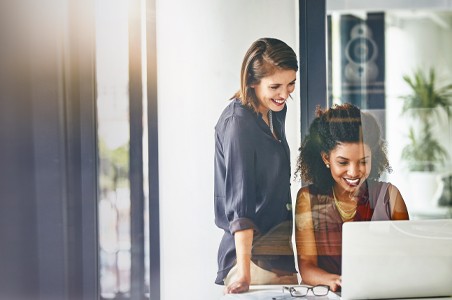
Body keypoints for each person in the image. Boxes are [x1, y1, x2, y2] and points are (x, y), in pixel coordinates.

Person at [214, 37, 299, 294]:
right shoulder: (239, 124)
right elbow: (241, 208)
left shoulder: (273, 111)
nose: (285, 94)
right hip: (253, 259)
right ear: (252, 82)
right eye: (275, 86)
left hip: (279, 254)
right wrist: (244, 275)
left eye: (291, 83)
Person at [294, 103, 409, 292]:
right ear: (325, 158)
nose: (354, 172)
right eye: (343, 162)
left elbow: (408, 257)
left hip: (381, 292)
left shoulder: (390, 197)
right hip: (328, 294)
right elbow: (306, 268)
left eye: (363, 161)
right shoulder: (307, 199)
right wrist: (338, 281)